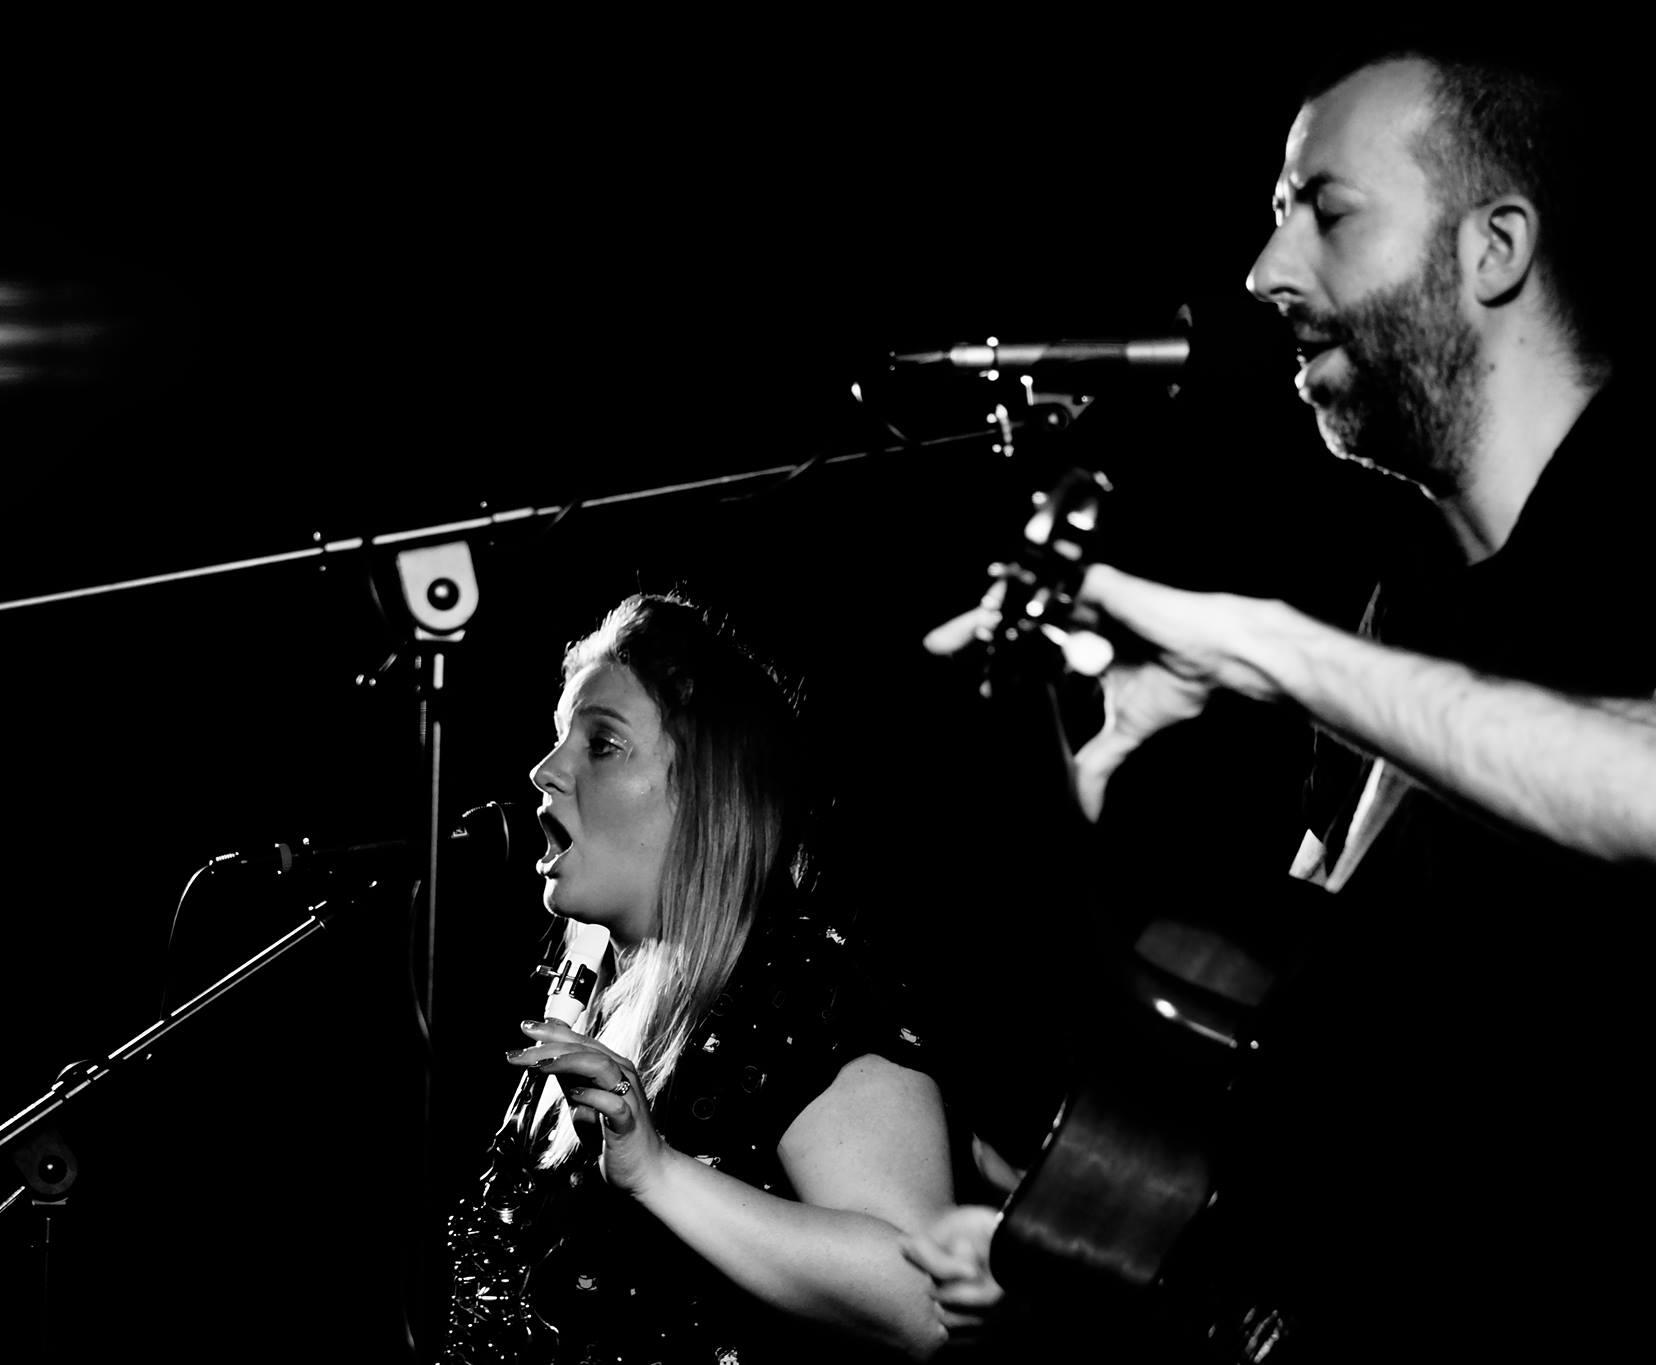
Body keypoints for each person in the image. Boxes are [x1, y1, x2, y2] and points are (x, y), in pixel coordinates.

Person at [904, 38, 1652, 1360]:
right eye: (1270, 219)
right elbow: (1315, 1054)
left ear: (1496, 249)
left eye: (1329, 213)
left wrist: (1270, 649)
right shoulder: (1409, 601)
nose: (1265, 275)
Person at [446, 592, 954, 1364]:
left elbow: (924, 1301)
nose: (544, 771)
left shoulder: (803, 984)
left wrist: (658, 1173)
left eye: (603, 743)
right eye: (558, 741)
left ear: (703, 790)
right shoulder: (589, 996)